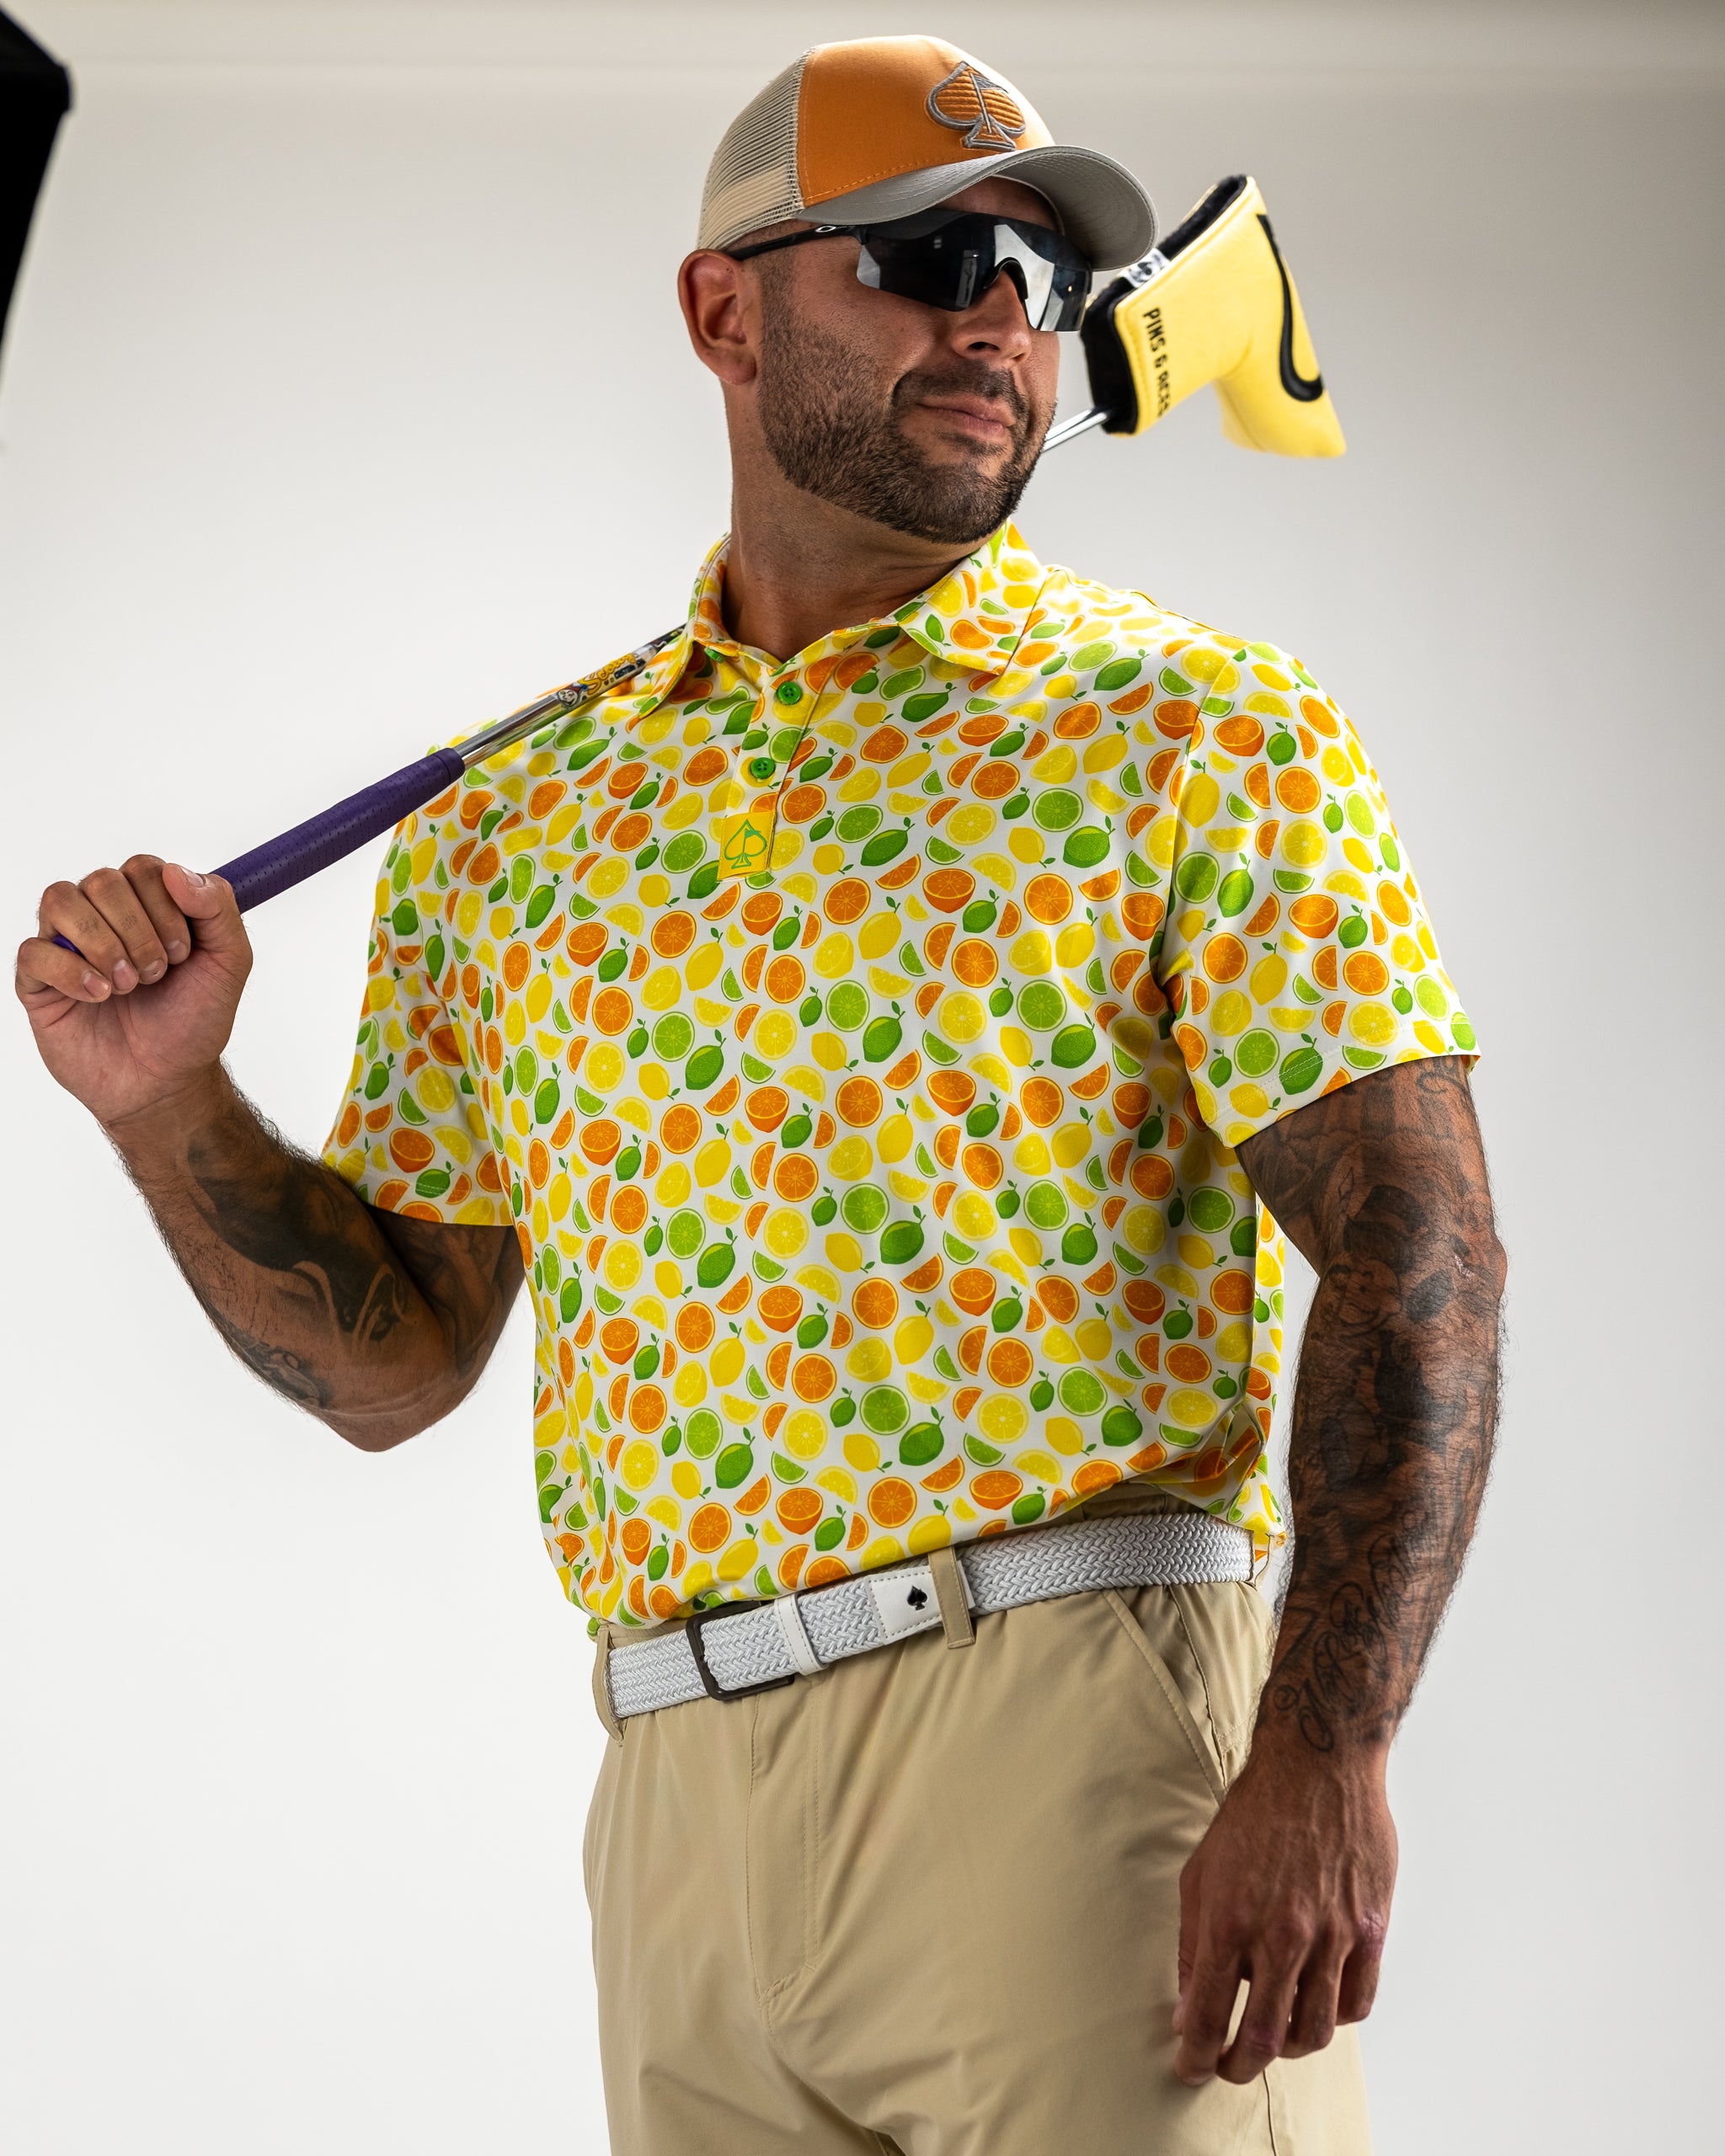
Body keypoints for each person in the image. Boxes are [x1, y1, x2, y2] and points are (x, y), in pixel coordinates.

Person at [16, 35, 1504, 2156]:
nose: (996, 320)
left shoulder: (1193, 730)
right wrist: (167, 1102)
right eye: (928, 258)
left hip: (1074, 1747)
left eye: (1037, 280)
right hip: (673, 1804)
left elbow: (1416, 1242)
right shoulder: (516, 826)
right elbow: (397, 1362)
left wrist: (1329, 1749)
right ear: (724, 310)